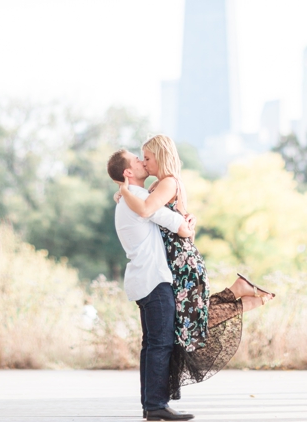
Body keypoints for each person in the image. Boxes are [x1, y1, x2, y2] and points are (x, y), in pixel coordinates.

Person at [115, 135, 274, 402]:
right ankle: (239, 293)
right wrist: (125, 192)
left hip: (180, 261)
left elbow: (145, 210)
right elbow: (154, 210)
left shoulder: (167, 183)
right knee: (184, 322)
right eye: (141, 158)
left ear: (161, 156)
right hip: (173, 259)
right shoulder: (157, 184)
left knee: (188, 323)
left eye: (148, 157)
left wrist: (125, 192)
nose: (144, 161)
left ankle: (243, 297)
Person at [107, 148, 196, 422]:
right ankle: (156, 405)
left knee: (152, 345)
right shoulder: (141, 199)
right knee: (160, 344)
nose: (142, 161)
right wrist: (188, 222)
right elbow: (179, 226)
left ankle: (152, 405)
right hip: (153, 279)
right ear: (128, 172)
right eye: (137, 160)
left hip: (142, 279)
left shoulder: (126, 201)